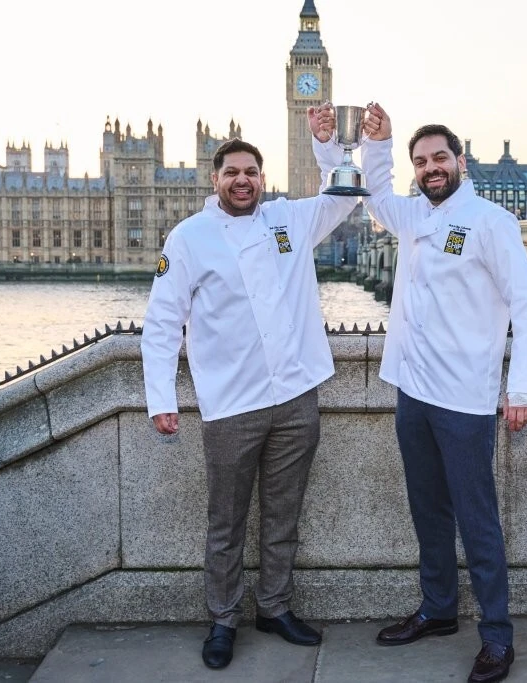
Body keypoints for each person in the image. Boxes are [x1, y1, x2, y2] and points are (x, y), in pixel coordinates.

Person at [140, 104, 357, 671]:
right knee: (227, 520)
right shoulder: (189, 237)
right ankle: (222, 618)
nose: (242, 180)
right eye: (232, 172)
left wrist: (326, 145)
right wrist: (161, 398)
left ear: (263, 179)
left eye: (251, 172)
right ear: (215, 181)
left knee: (284, 515)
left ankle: (275, 607)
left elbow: (344, 196)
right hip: (232, 405)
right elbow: (162, 322)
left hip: (295, 397)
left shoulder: (288, 220)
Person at [359, 104, 527, 683]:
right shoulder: (412, 215)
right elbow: (372, 194)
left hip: (465, 397)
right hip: (412, 389)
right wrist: (378, 144)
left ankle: (497, 636)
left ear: (460, 161)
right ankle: (438, 610)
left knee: (478, 519)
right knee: (429, 512)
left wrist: (521, 388)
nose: (430, 168)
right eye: (420, 162)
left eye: (439, 158)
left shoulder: (492, 222)